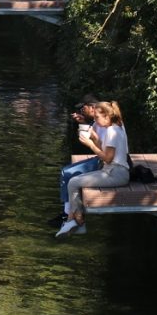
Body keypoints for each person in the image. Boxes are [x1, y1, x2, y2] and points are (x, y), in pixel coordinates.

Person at [56, 100, 130, 237]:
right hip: (110, 171)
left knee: (73, 182)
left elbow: (107, 158)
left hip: (117, 173)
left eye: (97, 117)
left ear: (107, 116)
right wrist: (95, 139)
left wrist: (90, 144)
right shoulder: (112, 128)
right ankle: (75, 222)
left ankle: (77, 222)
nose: (94, 120)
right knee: (73, 181)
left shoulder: (113, 131)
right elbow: (105, 151)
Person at [51, 97, 102, 226]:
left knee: (67, 173)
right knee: (66, 171)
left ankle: (70, 215)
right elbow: (87, 137)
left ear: (92, 107)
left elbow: (98, 145)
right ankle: (68, 213)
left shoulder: (103, 123)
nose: (81, 111)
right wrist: (83, 122)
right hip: (101, 159)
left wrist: (90, 140)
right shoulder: (98, 121)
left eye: (83, 108)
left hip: (105, 163)